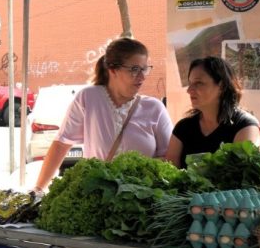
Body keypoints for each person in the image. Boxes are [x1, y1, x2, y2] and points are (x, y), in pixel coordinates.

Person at [34, 37, 172, 191]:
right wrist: (38, 190)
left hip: (141, 200)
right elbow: (61, 143)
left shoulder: (155, 108)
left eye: (145, 69)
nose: (142, 76)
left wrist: (139, 177)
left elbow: (169, 157)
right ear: (113, 70)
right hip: (98, 198)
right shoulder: (89, 98)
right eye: (134, 69)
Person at [164, 56, 260, 167]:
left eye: (198, 83)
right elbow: (170, 171)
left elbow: (241, 174)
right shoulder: (183, 127)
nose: (189, 90)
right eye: (190, 83)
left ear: (222, 86)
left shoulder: (245, 125)